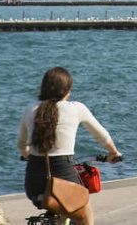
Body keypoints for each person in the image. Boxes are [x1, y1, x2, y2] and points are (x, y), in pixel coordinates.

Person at [18, 67, 121, 225]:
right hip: (64, 179)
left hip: (34, 183)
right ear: (67, 90)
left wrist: (28, 155)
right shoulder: (76, 108)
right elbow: (102, 136)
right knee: (85, 207)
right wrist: (113, 152)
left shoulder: (30, 108)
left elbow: (21, 145)